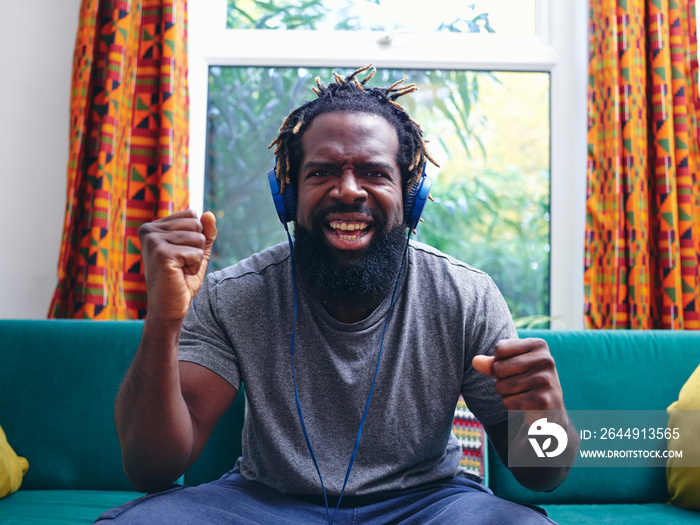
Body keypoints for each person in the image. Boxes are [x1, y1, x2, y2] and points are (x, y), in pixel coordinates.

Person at [97, 66, 579, 524]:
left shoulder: (465, 295)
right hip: (267, 504)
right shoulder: (234, 294)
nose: (348, 191)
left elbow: (543, 476)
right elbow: (151, 467)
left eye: (374, 173)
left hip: (427, 507)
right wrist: (163, 320)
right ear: (288, 196)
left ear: (411, 197)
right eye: (321, 172)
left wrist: (547, 415)